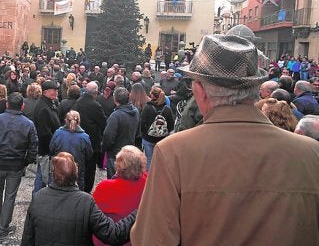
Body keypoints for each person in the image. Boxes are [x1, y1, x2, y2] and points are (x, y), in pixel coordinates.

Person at [131, 34, 319, 245]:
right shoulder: (311, 152)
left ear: (199, 91)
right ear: (255, 90)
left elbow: (152, 239)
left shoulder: (173, 152)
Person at [21, 152, 136, 246]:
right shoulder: (86, 202)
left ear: (53, 174)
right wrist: (138, 212)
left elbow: (27, 239)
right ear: (76, 174)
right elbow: (113, 234)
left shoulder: (38, 197)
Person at [0, 92, 38, 238]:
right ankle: (3, 227)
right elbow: (33, 147)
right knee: (10, 195)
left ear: (7, 104)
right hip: (16, 164)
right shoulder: (28, 124)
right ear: (22, 106)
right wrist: (25, 162)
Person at [93, 146, 147, 246]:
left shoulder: (105, 187)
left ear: (119, 167)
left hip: (108, 240)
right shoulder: (148, 184)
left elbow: (93, 216)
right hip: (138, 239)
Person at [74, 81, 106, 193]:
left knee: (80, 166)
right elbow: (103, 124)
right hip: (92, 141)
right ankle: (86, 191)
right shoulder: (96, 105)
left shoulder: (78, 102)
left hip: (78, 138)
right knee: (90, 169)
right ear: (96, 92)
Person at [49, 110, 92, 191]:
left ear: (66, 120)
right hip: (77, 168)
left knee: (58, 185)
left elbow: (51, 149)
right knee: (78, 188)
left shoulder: (58, 133)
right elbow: (89, 154)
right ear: (79, 121)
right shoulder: (84, 137)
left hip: (59, 166)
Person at [102, 87, 139, 179]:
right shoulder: (136, 111)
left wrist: (104, 147)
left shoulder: (116, 115)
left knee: (114, 181)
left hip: (116, 154)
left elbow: (108, 136)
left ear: (115, 99)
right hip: (130, 151)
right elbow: (138, 132)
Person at [31, 80, 60, 194]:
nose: (56, 93)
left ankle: (38, 198)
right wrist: (54, 146)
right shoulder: (43, 107)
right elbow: (44, 133)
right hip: (46, 150)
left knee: (41, 175)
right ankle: (38, 199)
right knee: (44, 177)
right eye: (54, 91)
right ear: (46, 92)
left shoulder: (48, 103)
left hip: (47, 149)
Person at [140, 86, 174, 171]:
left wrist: (143, 134)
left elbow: (142, 123)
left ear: (152, 96)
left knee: (149, 159)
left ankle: (148, 179)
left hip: (148, 138)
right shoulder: (167, 109)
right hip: (162, 139)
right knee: (160, 160)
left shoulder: (147, 108)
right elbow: (171, 125)